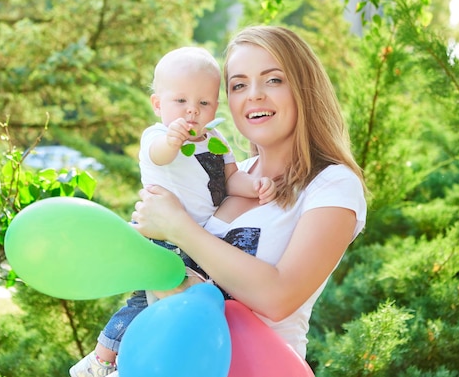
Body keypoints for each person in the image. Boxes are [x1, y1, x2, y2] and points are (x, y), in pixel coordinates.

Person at [130, 25, 368, 361]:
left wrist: (178, 227)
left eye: (273, 79)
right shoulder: (227, 175)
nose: (254, 95)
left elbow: (278, 296)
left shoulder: (332, 184)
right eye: (239, 85)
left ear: (304, 88)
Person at [69, 46, 276, 377]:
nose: (192, 111)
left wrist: (255, 187)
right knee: (142, 301)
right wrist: (174, 139)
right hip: (161, 237)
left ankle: (144, 361)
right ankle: (100, 360)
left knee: (173, 306)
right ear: (158, 104)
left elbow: (231, 179)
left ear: (215, 107)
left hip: (196, 240)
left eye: (203, 103)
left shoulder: (217, 140)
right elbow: (160, 156)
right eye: (181, 102)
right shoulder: (157, 136)